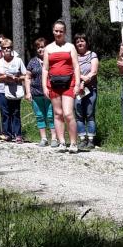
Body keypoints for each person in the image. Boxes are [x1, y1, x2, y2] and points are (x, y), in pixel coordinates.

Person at [42, 20, 82, 153]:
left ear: (65, 32)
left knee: (68, 113)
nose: (58, 33)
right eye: (56, 31)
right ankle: (62, 142)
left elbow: (76, 66)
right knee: (58, 113)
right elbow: (45, 69)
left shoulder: (70, 47)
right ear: (53, 31)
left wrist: (77, 84)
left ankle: (74, 143)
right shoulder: (48, 48)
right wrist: (44, 86)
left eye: (61, 31)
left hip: (69, 83)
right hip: (53, 84)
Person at [0, 38, 29, 143]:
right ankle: (7, 134)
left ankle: (18, 135)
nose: (6, 50)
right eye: (4, 48)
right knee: (5, 113)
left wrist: (17, 78)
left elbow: (26, 75)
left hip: (14, 89)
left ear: (12, 48)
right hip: (1, 90)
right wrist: (2, 78)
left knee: (15, 112)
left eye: (9, 47)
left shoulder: (18, 60)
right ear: (1, 49)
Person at [26, 37, 58, 147]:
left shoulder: (52, 60)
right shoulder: (32, 62)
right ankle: (43, 138)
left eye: (42, 47)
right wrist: (28, 92)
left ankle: (54, 138)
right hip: (36, 94)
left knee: (51, 116)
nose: (40, 49)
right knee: (39, 116)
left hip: (50, 93)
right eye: (38, 47)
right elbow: (27, 78)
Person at [73, 33, 99, 149]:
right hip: (77, 90)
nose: (80, 43)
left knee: (89, 114)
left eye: (82, 41)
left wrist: (83, 80)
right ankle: (82, 139)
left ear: (87, 42)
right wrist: (81, 79)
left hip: (90, 89)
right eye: (77, 41)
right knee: (79, 115)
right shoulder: (74, 56)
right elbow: (71, 71)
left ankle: (91, 140)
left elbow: (94, 72)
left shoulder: (92, 55)